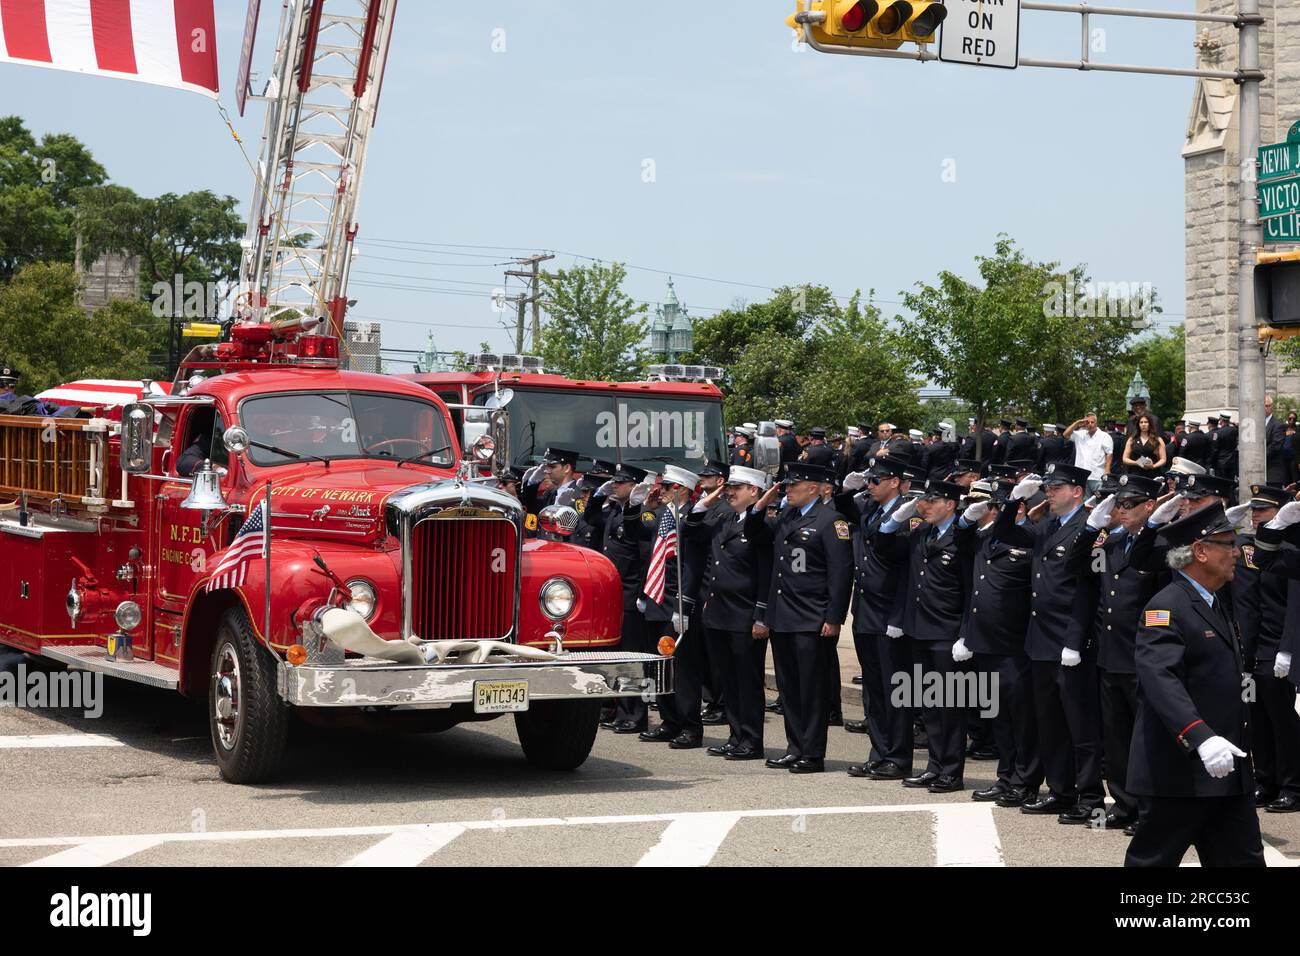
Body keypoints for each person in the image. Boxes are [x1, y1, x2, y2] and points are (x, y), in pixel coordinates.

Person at [1124, 503, 1264, 867]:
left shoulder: (1215, 602)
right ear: (1200, 551)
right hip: (1179, 776)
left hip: (1228, 771)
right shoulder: (1166, 607)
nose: (1236, 552)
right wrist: (1200, 737)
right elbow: (1160, 679)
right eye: (1226, 544)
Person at [988, 462, 1105, 822]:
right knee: (1050, 723)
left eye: (1057, 488)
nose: (1049, 493)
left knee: (1080, 725)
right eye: (1048, 488)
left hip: (1069, 642)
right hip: (1039, 641)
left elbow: (1087, 590)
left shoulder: (1087, 531)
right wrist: (1013, 501)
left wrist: (1075, 640)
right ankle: (1061, 790)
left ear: (1077, 492)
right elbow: (1005, 533)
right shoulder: (1046, 526)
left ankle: (1089, 796)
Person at [1066, 475, 1166, 833]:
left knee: (1147, 740)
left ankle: (1152, 810)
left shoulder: (1160, 544)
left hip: (1143, 657)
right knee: (1117, 738)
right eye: (1118, 505)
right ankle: (1125, 805)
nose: (1120, 510)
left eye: (1128, 504)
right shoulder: (1110, 543)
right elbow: (1074, 566)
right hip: (1110, 656)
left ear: (1149, 506)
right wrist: (1092, 527)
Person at [873, 478, 972, 793]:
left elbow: (971, 591)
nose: (924, 506)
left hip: (948, 633)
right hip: (920, 630)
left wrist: (965, 635)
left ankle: (951, 771)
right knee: (929, 704)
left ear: (950, 505)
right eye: (923, 501)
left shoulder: (963, 538)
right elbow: (883, 545)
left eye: (932, 501)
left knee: (951, 706)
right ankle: (934, 766)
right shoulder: (921, 534)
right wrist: (897, 518)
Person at [953, 480, 1041, 806]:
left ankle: (1025, 781)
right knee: (1000, 718)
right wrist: (964, 519)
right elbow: (959, 538)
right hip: (986, 642)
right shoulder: (979, 539)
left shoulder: (1030, 537)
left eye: (985, 506)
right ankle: (1006, 777)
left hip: (1016, 644)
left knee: (1022, 719)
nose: (977, 512)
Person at [763, 462, 853, 774]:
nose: (787, 490)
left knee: (812, 689)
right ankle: (794, 746)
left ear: (812, 488)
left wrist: (834, 616)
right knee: (789, 687)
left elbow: (840, 574)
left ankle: (812, 752)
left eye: (792, 486)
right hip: (784, 615)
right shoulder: (788, 516)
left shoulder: (831, 521)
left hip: (812, 617)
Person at [687, 465, 779, 761]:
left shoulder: (763, 524)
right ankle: (736, 735)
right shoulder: (723, 518)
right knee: (727, 679)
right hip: (718, 612)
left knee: (747, 681)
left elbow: (766, 573)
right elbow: (691, 529)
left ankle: (751, 740)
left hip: (744, 614)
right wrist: (705, 501)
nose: (730, 493)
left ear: (753, 491)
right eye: (729, 488)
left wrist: (761, 615)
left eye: (736, 489)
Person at [836, 457, 917, 781]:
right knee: (873, 690)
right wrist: (847, 488)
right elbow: (844, 507)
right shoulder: (869, 509)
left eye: (875, 480)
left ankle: (898, 757)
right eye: (867, 481)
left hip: (890, 617)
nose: (869, 485)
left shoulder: (908, 516)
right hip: (866, 612)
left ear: (894, 482)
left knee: (895, 689)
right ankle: (879, 753)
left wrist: (898, 618)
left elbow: (906, 572)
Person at [1241, 489, 1300, 812]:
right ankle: (1266, 780)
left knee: (1282, 720)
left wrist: (1287, 648)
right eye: (1255, 511)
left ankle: (1293, 784)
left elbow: (1294, 604)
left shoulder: (1291, 547)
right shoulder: (1259, 547)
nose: (1256, 515)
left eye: (1264, 510)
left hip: (1280, 646)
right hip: (1259, 646)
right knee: (1259, 718)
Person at [636, 465, 702, 748]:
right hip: (657, 599)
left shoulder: (692, 518)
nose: (660, 492)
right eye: (662, 487)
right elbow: (641, 540)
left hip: (676, 602)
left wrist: (683, 606)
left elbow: (691, 566)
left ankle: (689, 726)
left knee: (683, 669)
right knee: (659, 665)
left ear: (682, 490)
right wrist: (641, 507)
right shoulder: (663, 515)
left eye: (666, 488)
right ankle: (668, 720)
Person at [588, 462, 653, 733]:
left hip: (629, 594)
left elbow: (644, 558)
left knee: (631, 658)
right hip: (612, 594)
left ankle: (635, 714)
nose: (615, 485)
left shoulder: (640, 516)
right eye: (614, 481)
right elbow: (591, 518)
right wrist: (596, 496)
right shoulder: (614, 509)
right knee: (615, 656)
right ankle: (620, 710)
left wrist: (640, 595)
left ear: (635, 487)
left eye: (621, 482)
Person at [1062, 414, 1113, 498]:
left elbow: (1109, 453)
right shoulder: (1080, 434)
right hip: (1081, 475)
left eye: (1092, 422)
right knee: (1084, 503)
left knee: (1100, 501)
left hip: (1097, 475)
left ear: (1096, 423)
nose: (1090, 424)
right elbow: (1065, 434)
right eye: (1087, 422)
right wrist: (1077, 423)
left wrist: (1107, 469)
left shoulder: (1104, 436)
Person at [1121, 411, 1167, 477]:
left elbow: (1163, 459)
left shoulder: (1158, 439)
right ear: (1138, 424)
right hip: (1136, 474)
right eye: (1141, 422)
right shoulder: (1132, 439)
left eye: (1146, 422)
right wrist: (1136, 462)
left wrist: (1153, 466)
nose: (1143, 424)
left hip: (1153, 474)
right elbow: (1125, 459)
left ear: (1150, 424)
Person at [1264, 396, 1289, 486]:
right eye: (1262, 406)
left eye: (1267, 406)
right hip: (1259, 472)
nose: (1265, 408)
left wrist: (1258, 457)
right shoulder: (1257, 423)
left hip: (1272, 473)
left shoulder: (1278, 425)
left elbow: (1275, 446)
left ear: (1271, 407)